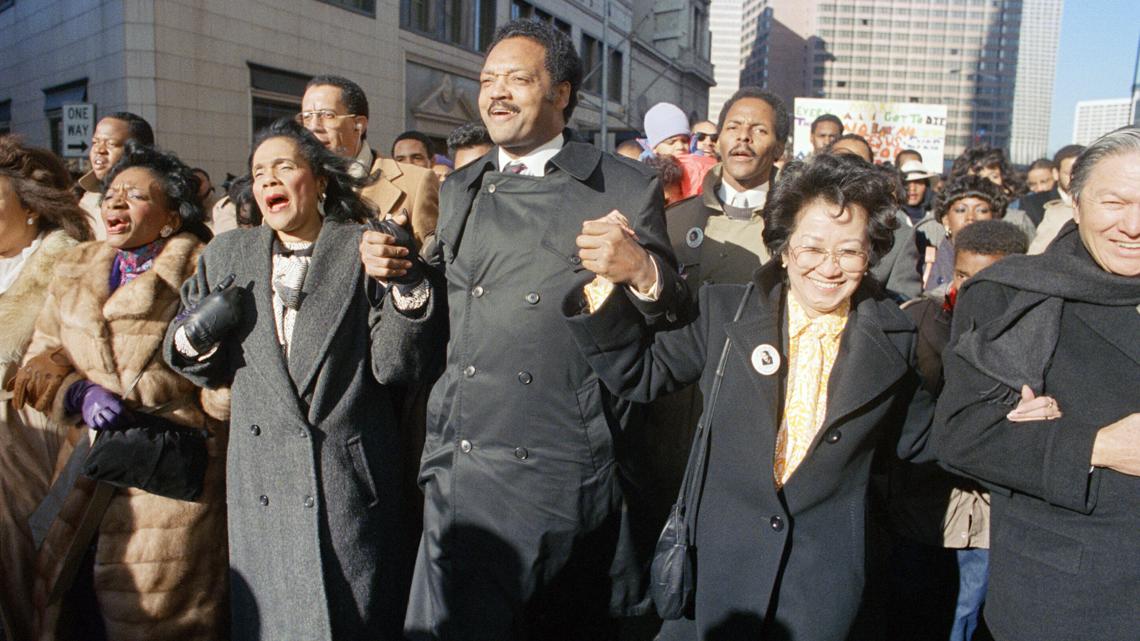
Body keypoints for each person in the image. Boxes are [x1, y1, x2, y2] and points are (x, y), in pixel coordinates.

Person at [565, 153, 935, 640]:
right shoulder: (726, 311)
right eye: (812, 249)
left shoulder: (896, 338)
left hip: (822, 590)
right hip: (715, 577)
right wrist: (604, 287)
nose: (829, 267)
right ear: (783, 249)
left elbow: (921, 439)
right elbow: (640, 374)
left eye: (850, 251)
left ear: (871, 254)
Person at [405, 19, 689, 641]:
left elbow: (672, 313)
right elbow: (448, 317)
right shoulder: (458, 188)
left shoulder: (621, 182)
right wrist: (401, 278)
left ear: (561, 93)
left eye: (517, 79)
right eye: (487, 80)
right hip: (465, 460)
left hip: (563, 463)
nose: (496, 93)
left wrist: (640, 267)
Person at [164, 119, 442, 641]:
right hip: (262, 486)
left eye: (284, 167)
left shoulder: (363, 246)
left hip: (347, 480)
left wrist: (407, 281)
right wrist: (194, 334)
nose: (268, 179)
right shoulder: (227, 254)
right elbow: (188, 359)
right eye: (258, 172)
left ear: (319, 181)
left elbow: (396, 366)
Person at [9, 142, 226, 640]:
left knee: (161, 619)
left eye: (135, 195)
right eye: (111, 194)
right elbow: (38, 366)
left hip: (170, 484)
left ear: (172, 217)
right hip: (84, 471)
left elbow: (227, 387)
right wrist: (78, 394)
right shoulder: (75, 268)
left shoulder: (201, 270)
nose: (116, 203)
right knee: (71, 611)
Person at [931, 126, 1140, 641]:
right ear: (1074, 201)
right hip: (1068, 598)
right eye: (1114, 202)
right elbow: (963, 436)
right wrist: (1095, 445)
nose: (1133, 226)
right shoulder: (1012, 295)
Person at [885, 220, 1029, 641]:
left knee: (970, 617)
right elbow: (907, 432)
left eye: (991, 279)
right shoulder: (917, 322)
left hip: (990, 521)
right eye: (964, 275)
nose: (970, 290)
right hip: (923, 511)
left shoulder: (1034, 331)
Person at [0, 137, 93, 641]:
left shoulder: (72, 264)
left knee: (26, 581)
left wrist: (55, 357)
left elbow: (96, 352)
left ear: (31, 209)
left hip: (31, 446)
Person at [298, 75, 439, 250]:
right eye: (306, 117)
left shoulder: (416, 183)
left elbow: (433, 264)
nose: (313, 126)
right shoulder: (295, 183)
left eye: (327, 115)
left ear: (359, 124)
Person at [828, 134, 923, 302]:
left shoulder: (899, 236)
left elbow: (904, 305)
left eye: (858, 164)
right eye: (840, 160)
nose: (847, 170)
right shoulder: (799, 218)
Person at [922, 174, 1007, 294]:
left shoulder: (1008, 264)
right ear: (945, 219)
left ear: (995, 217)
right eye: (961, 210)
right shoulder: (927, 263)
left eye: (981, 210)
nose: (970, 218)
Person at [76, 112, 155, 239]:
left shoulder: (157, 196)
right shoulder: (82, 197)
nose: (99, 150)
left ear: (138, 152)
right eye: (95, 142)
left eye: (111, 144)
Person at [948, 146, 1035, 242]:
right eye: (978, 176)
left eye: (994, 176)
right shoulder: (942, 221)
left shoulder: (1019, 222)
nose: (987, 182)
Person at [1028, 144, 1085, 254]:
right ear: (1055, 173)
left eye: (1081, 172)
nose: (1075, 177)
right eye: (1069, 173)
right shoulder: (1031, 203)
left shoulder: (1095, 205)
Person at [899, 159, 937, 224]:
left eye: (918, 182)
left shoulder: (937, 217)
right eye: (907, 183)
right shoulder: (891, 218)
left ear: (927, 186)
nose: (912, 188)